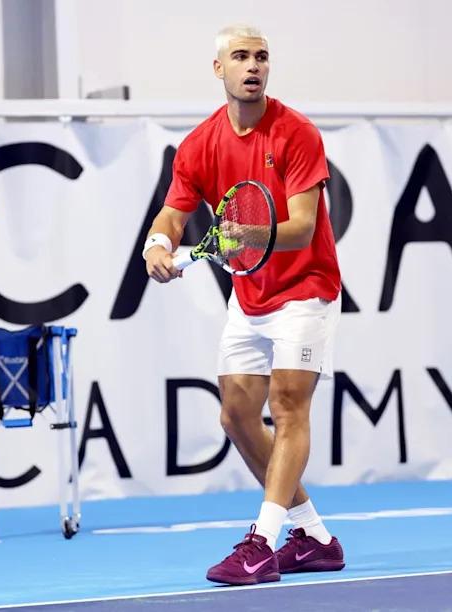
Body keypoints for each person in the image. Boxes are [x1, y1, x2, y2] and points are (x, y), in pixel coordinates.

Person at [143, 24, 346, 585]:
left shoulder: (296, 132)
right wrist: (157, 244)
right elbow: (173, 212)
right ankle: (316, 539)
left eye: (261, 57)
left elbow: (302, 228)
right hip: (250, 294)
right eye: (240, 57)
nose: (252, 66)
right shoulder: (199, 144)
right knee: (235, 414)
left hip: (306, 287)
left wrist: (242, 239)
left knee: (287, 407)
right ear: (220, 70)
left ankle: (262, 543)